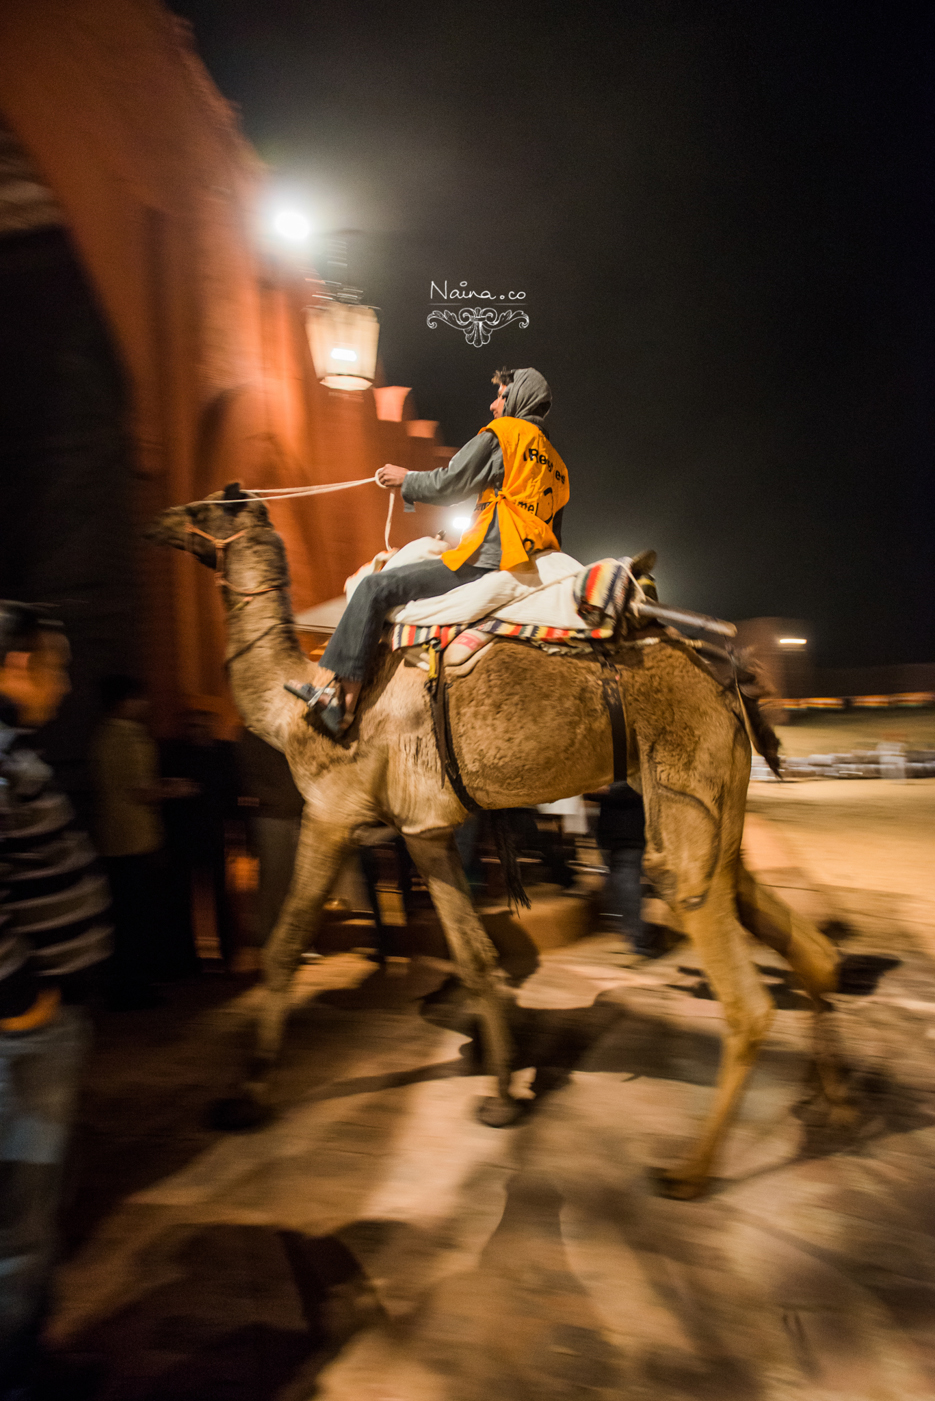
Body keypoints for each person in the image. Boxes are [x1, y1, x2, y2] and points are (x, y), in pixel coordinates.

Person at [298, 366, 569, 736]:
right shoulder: (557, 466)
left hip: (484, 560)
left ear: (518, 398)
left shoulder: (505, 434)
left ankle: (339, 704)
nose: (493, 405)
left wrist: (404, 479)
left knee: (372, 588)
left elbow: (451, 483)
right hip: (527, 566)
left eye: (501, 396)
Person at [0, 602, 111, 1395]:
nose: (66, 684)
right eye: (57, 665)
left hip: (40, 1025)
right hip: (24, 1032)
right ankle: (17, 1372)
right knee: (20, 1218)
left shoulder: (14, 754)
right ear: (15, 666)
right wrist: (21, 995)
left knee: (32, 1209)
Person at [88, 677, 188, 1008]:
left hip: (124, 838)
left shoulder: (110, 735)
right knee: (135, 917)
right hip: (130, 840)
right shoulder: (121, 738)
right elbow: (137, 789)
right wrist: (172, 790)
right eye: (139, 699)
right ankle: (133, 988)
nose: (145, 705)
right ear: (125, 702)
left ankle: (133, 984)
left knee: (132, 915)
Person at [161, 709, 239, 972]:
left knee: (216, 895)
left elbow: (231, 793)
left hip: (207, 831)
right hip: (187, 833)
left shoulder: (215, 754)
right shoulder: (187, 754)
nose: (196, 730)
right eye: (192, 725)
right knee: (184, 896)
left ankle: (222, 955)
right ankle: (190, 958)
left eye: (200, 725)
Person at [584, 782, 656, 954]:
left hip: (630, 833)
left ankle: (640, 937)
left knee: (626, 884)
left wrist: (607, 790)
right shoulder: (607, 770)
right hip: (610, 835)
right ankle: (634, 931)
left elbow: (638, 785)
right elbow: (589, 793)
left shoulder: (632, 768)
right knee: (616, 886)